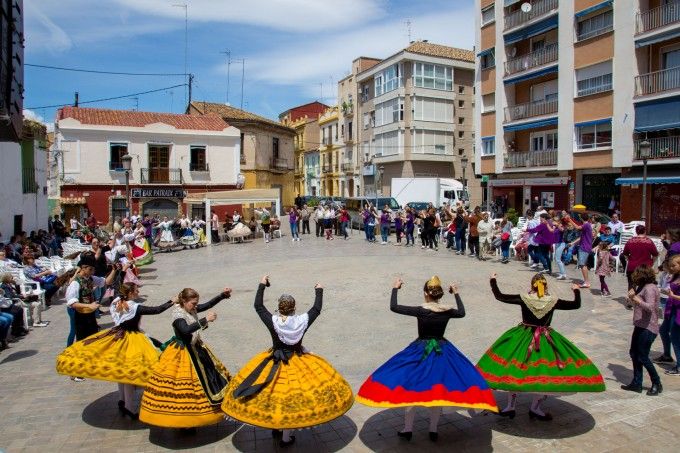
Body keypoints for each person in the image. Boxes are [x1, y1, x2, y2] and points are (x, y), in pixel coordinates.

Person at [356, 276, 497, 441]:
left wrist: (395, 288)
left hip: (419, 352)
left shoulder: (421, 310)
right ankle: (433, 430)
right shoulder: (447, 311)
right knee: (437, 391)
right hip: (442, 352)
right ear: (440, 295)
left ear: (425, 293)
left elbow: (394, 307)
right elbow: (462, 312)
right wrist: (456, 293)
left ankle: (408, 429)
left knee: (411, 388)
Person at [222, 276, 353, 447]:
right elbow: (317, 308)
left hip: (275, 360)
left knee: (275, 396)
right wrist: (319, 290)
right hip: (297, 360)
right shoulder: (302, 322)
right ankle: (286, 438)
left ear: (279, 308)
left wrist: (262, 284)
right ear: (294, 308)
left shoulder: (273, 322)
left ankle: (276, 427)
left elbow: (258, 306)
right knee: (292, 399)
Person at [476, 273, 605, 421]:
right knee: (543, 374)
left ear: (532, 286)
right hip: (545, 339)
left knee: (514, 370)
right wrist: (576, 290)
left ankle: (510, 407)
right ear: (546, 286)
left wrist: (493, 280)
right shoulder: (553, 301)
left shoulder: (524, 298)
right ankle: (535, 408)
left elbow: (500, 296)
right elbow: (576, 305)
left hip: (522, 338)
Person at [56, 283, 173, 417]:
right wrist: (172, 301)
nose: (138, 292)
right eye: (136, 290)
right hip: (131, 339)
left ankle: (122, 401)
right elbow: (157, 310)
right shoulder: (134, 306)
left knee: (122, 368)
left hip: (118, 335)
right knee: (129, 371)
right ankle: (129, 407)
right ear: (130, 293)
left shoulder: (117, 302)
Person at [139, 286, 233, 430]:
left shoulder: (190, 308)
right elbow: (185, 330)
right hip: (183, 352)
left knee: (209, 377)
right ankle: (184, 422)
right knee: (184, 387)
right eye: (193, 303)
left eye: (196, 303)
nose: (195, 306)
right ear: (184, 301)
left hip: (196, 347)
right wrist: (205, 319)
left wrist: (222, 295)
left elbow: (207, 305)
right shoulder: (178, 315)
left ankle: (202, 413)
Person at [621, 266, 662, 395]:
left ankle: (657, 383)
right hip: (640, 325)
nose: (634, 277)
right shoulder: (643, 287)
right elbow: (639, 305)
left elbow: (649, 308)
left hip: (648, 328)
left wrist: (636, 299)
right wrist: (632, 299)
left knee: (643, 356)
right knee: (634, 353)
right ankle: (637, 383)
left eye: (636, 274)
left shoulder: (650, 288)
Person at [657, 255, 680, 374]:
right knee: (663, 330)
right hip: (671, 308)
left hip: (678, 310)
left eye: (673, 265)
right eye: (670, 265)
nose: (671, 268)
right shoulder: (675, 276)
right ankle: (667, 355)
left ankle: (679, 366)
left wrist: (672, 295)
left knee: (675, 337)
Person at [622, 225, 659, 291]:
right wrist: (652, 262)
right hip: (645, 268)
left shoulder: (630, 241)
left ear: (636, 231)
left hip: (632, 267)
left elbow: (625, 254)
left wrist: (630, 260)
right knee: (644, 287)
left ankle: (632, 297)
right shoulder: (649, 241)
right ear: (645, 231)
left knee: (631, 286)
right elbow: (655, 255)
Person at [571, 214, 596, 288]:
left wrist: (569, 219)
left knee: (582, 265)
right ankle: (586, 281)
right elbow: (581, 238)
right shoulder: (587, 226)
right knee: (583, 265)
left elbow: (577, 227)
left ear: (581, 218)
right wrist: (572, 243)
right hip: (584, 247)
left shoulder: (586, 225)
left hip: (584, 247)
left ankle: (586, 282)